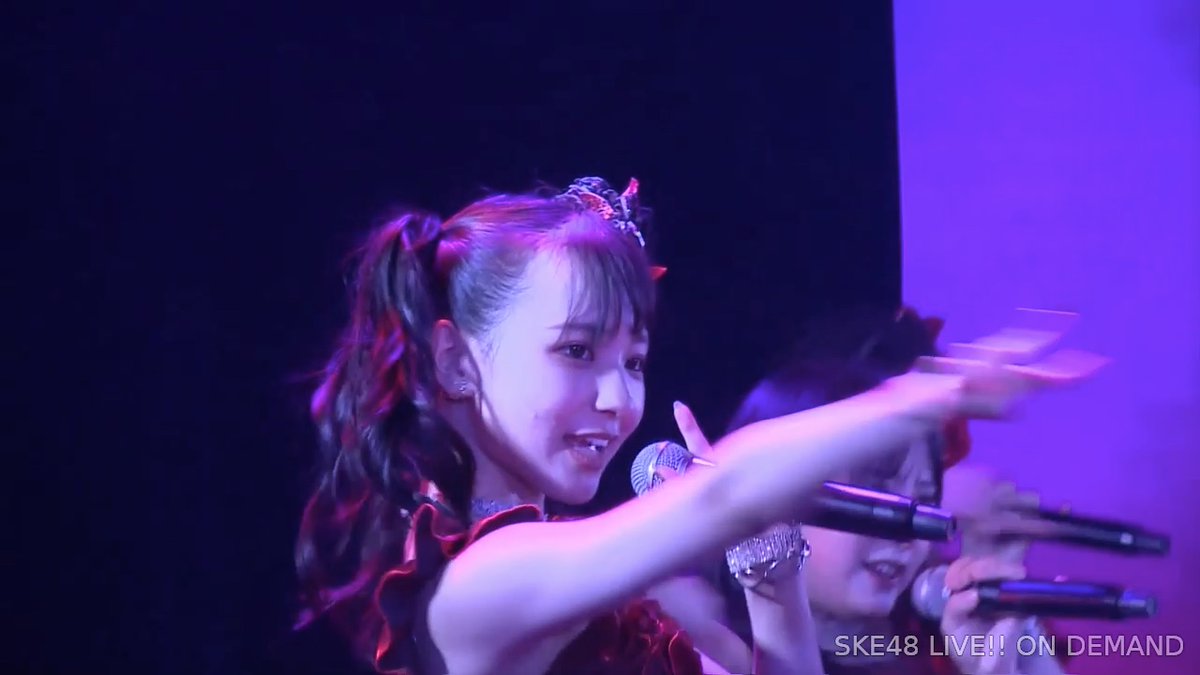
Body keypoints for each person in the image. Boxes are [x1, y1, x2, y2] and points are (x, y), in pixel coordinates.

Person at [292, 176, 1103, 675]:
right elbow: (726, 496)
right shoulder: (480, 587)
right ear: (456, 361)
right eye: (576, 351)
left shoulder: (595, 584)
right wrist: (927, 394)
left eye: (634, 361)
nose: (617, 398)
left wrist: (771, 576)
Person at [647, 306, 1076, 674]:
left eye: (924, 501)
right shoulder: (704, 652)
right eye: (876, 499)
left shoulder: (942, 651)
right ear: (773, 493)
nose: (907, 534)